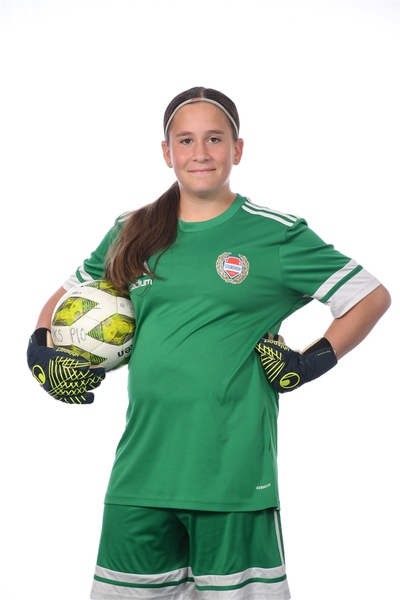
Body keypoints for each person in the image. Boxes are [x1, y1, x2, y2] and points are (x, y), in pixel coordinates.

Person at [27, 86, 391, 600]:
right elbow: (65, 299)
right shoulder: (132, 230)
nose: (200, 152)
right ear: (167, 152)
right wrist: (40, 351)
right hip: (140, 473)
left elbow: (370, 296)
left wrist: (311, 362)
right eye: (186, 140)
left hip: (232, 477)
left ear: (237, 149)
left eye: (214, 139)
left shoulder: (275, 235)